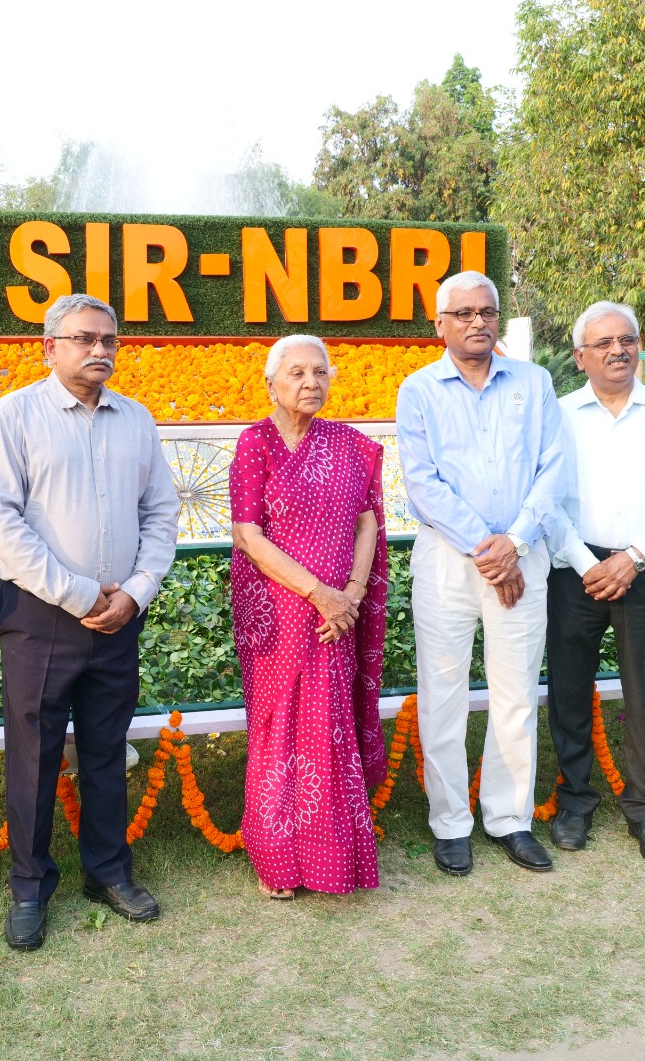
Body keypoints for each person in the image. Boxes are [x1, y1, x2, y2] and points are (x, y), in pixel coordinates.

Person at [0, 293, 180, 951]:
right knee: (34, 754)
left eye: (109, 340)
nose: (99, 350)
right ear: (49, 348)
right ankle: (30, 886)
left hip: (119, 615)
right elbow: (3, 523)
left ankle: (108, 871)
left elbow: (161, 512)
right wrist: (79, 595)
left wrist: (136, 593)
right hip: (42, 615)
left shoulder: (136, 420)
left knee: (105, 749)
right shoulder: (14, 416)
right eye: (84, 338)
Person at [396, 269, 566, 876]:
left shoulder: (534, 382)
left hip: (522, 557)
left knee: (515, 693)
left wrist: (513, 544)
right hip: (449, 562)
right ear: (439, 324)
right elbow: (423, 483)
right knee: (442, 694)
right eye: (463, 313)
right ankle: (449, 823)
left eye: (487, 312)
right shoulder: (419, 389)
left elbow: (553, 469)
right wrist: (488, 550)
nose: (477, 322)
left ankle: (509, 818)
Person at [229, 334, 389, 900]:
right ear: (271, 383)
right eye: (296, 372)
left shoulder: (348, 445)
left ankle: (331, 855)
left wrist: (351, 594)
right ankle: (278, 860)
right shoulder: (256, 443)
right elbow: (247, 535)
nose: (310, 382)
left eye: (320, 372)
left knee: (328, 725)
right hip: (279, 612)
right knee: (279, 727)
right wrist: (320, 594)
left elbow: (367, 521)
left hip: (337, 614)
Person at [546, 301, 645, 865]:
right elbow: (544, 499)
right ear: (579, 356)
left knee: (643, 695)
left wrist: (633, 558)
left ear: (639, 346)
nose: (618, 351)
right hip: (574, 571)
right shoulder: (558, 415)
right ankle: (574, 802)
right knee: (568, 692)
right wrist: (585, 561)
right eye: (604, 343)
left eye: (627, 340)